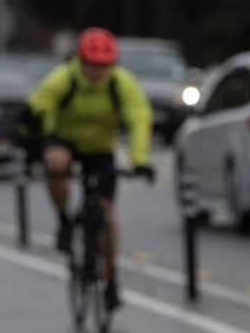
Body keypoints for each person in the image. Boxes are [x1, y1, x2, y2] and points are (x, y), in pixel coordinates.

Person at [25, 27, 155, 311]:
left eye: (103, 66)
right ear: (80, 61)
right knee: (56, 164)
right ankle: (63, 222)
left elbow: (139, 117)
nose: (97, 72)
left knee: (107, 216)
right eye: (92, 65)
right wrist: (37, 136)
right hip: (66, 141)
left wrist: (140, 160)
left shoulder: (120, 83)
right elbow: (40, 104)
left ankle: (110, 279)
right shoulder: (65, 78)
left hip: (100, 149)